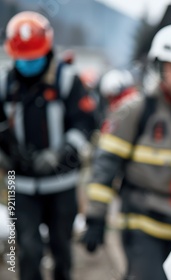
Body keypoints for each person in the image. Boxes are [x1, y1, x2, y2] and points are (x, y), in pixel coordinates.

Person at [80, 21, 171, 279]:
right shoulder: (135, 111)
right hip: (140, 226)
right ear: (160, 68)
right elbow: (105, 166)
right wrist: (95, 217)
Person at [0, 11, 96, 280]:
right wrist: (5, 156)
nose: (28, 62)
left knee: (61, 250)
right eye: (23, 57)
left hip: (62, 184)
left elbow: (86, 123)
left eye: (34, 56)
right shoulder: (5, 84)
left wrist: (62, 152)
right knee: (28, 251)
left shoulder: (67, 80)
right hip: (19, 184)